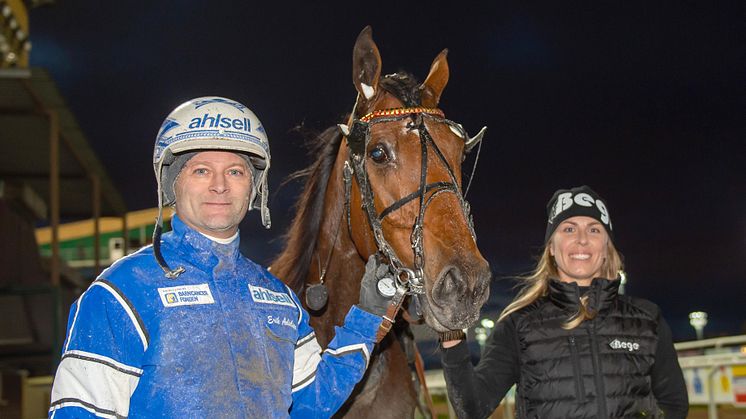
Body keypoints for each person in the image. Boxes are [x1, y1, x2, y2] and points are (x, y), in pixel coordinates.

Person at [48, 97, 398, 418]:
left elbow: (309, 405)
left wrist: (365, 320)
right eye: (201, 170)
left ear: (254, 187)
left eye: (235, 171)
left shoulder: (279, 299)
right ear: (173, 183)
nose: (220, 185)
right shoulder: (119, 295)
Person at [439, 185, 689, 419]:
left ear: (606, 246)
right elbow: (472, 407)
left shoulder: (647, 319)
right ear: (551, 247)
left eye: (594, 229)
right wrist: (451, 330)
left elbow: (674, 406)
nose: (582, 239)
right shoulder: (518, 325)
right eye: (568, 228)